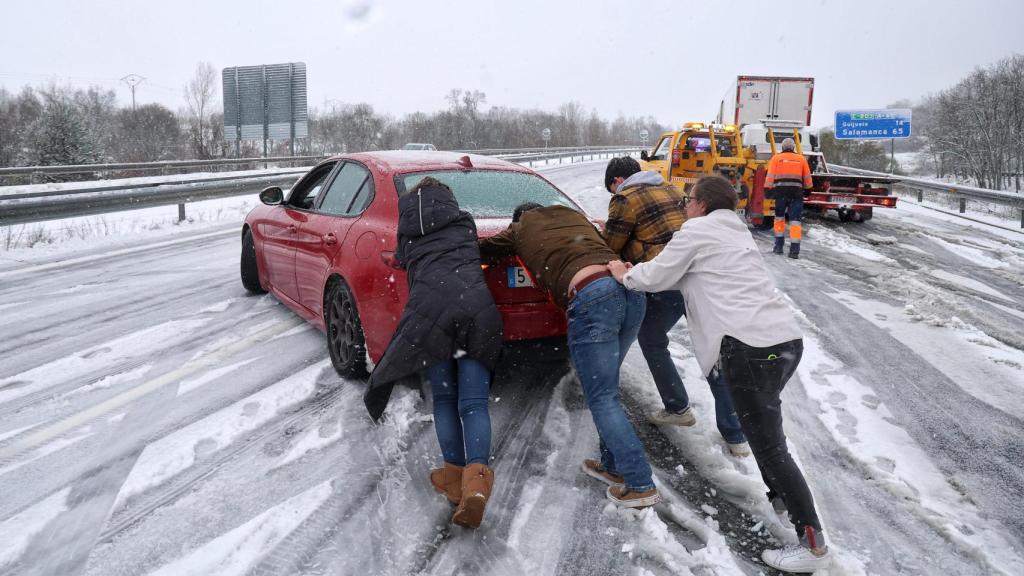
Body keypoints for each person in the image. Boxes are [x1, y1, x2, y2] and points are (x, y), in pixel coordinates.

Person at [608, 176, 832, 573]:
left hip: (750, 348)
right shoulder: (736, 232)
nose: (685, 206)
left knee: (770, 445)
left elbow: (657, 276)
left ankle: (811, 543)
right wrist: (645, 272)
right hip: (784, 342)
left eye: (688, 200)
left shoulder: (696, 230)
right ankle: (782, 500)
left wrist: (624, 274)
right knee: (767, 435)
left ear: (702, 204)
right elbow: (684, 274)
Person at [479, 202, 657, 509]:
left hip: (592, 296)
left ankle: (640, 483)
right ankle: (613, 466)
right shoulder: (573, 216)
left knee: (601, 397)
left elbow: (481, 250)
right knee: (607, 390)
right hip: (630, 290)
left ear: (517, 219)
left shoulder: (519, 229)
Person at [362, 177, 503, 529]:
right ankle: (476, 485)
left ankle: (455, 479)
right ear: (449, 200)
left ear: (411, 207)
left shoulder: (407, 233)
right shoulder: (465, 222)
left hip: (430, 316)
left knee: (443, 400)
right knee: (473, 403)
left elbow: (401, 261)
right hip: (477, 312)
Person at [603, 157, 749, 456]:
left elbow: (611, 244)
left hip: (665, 279)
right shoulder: (670, 189)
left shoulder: (624, 199)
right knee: (712, 349)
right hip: (697, 277)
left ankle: (677, 406)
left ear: (618, 181)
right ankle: (735, 434)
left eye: (611, 187)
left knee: (652, 340)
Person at [765, 137, 813, 259]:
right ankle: (794, 251)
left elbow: (770, 176)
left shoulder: (776, 158)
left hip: (780, 194)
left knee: (779, 219)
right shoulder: (801, 159)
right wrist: (808, 190)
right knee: (795, 222)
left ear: (782, 147)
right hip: (796, 195)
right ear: (793, 148)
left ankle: (778, 247)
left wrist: (767, 190)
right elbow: (807, 177)